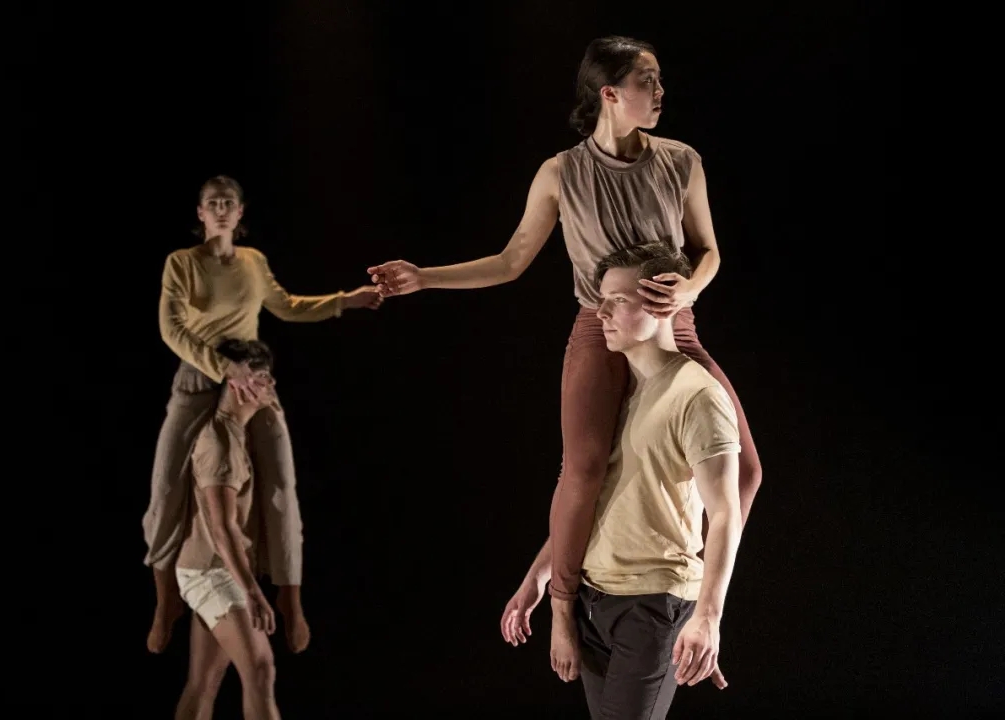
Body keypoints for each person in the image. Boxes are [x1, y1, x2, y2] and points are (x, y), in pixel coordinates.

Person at [366, 36, 762, 675]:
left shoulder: (681, 160)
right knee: (584, 470)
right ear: (610, 93)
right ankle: (561, 609)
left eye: (659, 80)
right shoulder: (562, 173)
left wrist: (689, 289)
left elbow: (708, 250)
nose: (660, 92)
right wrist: (424, 278)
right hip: (601, 328)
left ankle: (696, 603)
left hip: (672, 325)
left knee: (744, 472)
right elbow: (511, 260)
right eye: (648, 81)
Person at [144, 175, 384, 654]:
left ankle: (291, 601)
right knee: (167, 483)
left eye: (228, 203)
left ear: (239, 212)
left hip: (251, 381)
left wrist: (345, 301)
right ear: (200, 213)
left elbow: (286, 306)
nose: (220, 209)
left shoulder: (252, 262)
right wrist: (221, 367)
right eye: (212, 203)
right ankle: (166, 599)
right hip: (200, 377)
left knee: (281, 485)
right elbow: (172, 328)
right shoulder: (182, 263)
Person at [501, 245, 743, 719]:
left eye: (619, 300)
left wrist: (708, 617)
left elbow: (725, 512)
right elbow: (595, 501)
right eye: (602, 300)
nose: (602, 313)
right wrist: (538, 578)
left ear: (662, 303)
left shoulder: (697, 395)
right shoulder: (619, 396)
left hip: (652, 604)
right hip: (595, 600)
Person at [173, 338, 286, 720]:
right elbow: (222, 527)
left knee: (203, 682)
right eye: (262, 376)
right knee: (260, 670)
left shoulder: (235, 434)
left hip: (215, 568)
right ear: (238, 383)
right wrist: (252, 592)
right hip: (210, 572)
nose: (271, 384)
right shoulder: (220, 442)